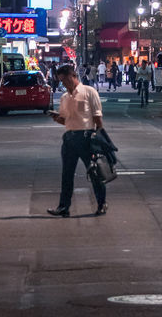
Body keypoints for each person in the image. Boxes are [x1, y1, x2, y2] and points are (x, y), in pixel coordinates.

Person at [47, 62, 107, 217]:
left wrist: (98, 138)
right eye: (61, 81)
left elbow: (97, 118)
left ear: (73, 76)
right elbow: (65, 119)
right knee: (67, 174)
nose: (64, 84)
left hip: (86, 137)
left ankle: (101, 204)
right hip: (69, 138)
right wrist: (57, 118)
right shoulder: (65, 97)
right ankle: (63, 207)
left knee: (94, 172)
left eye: (66, 80)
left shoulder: (89, 92)